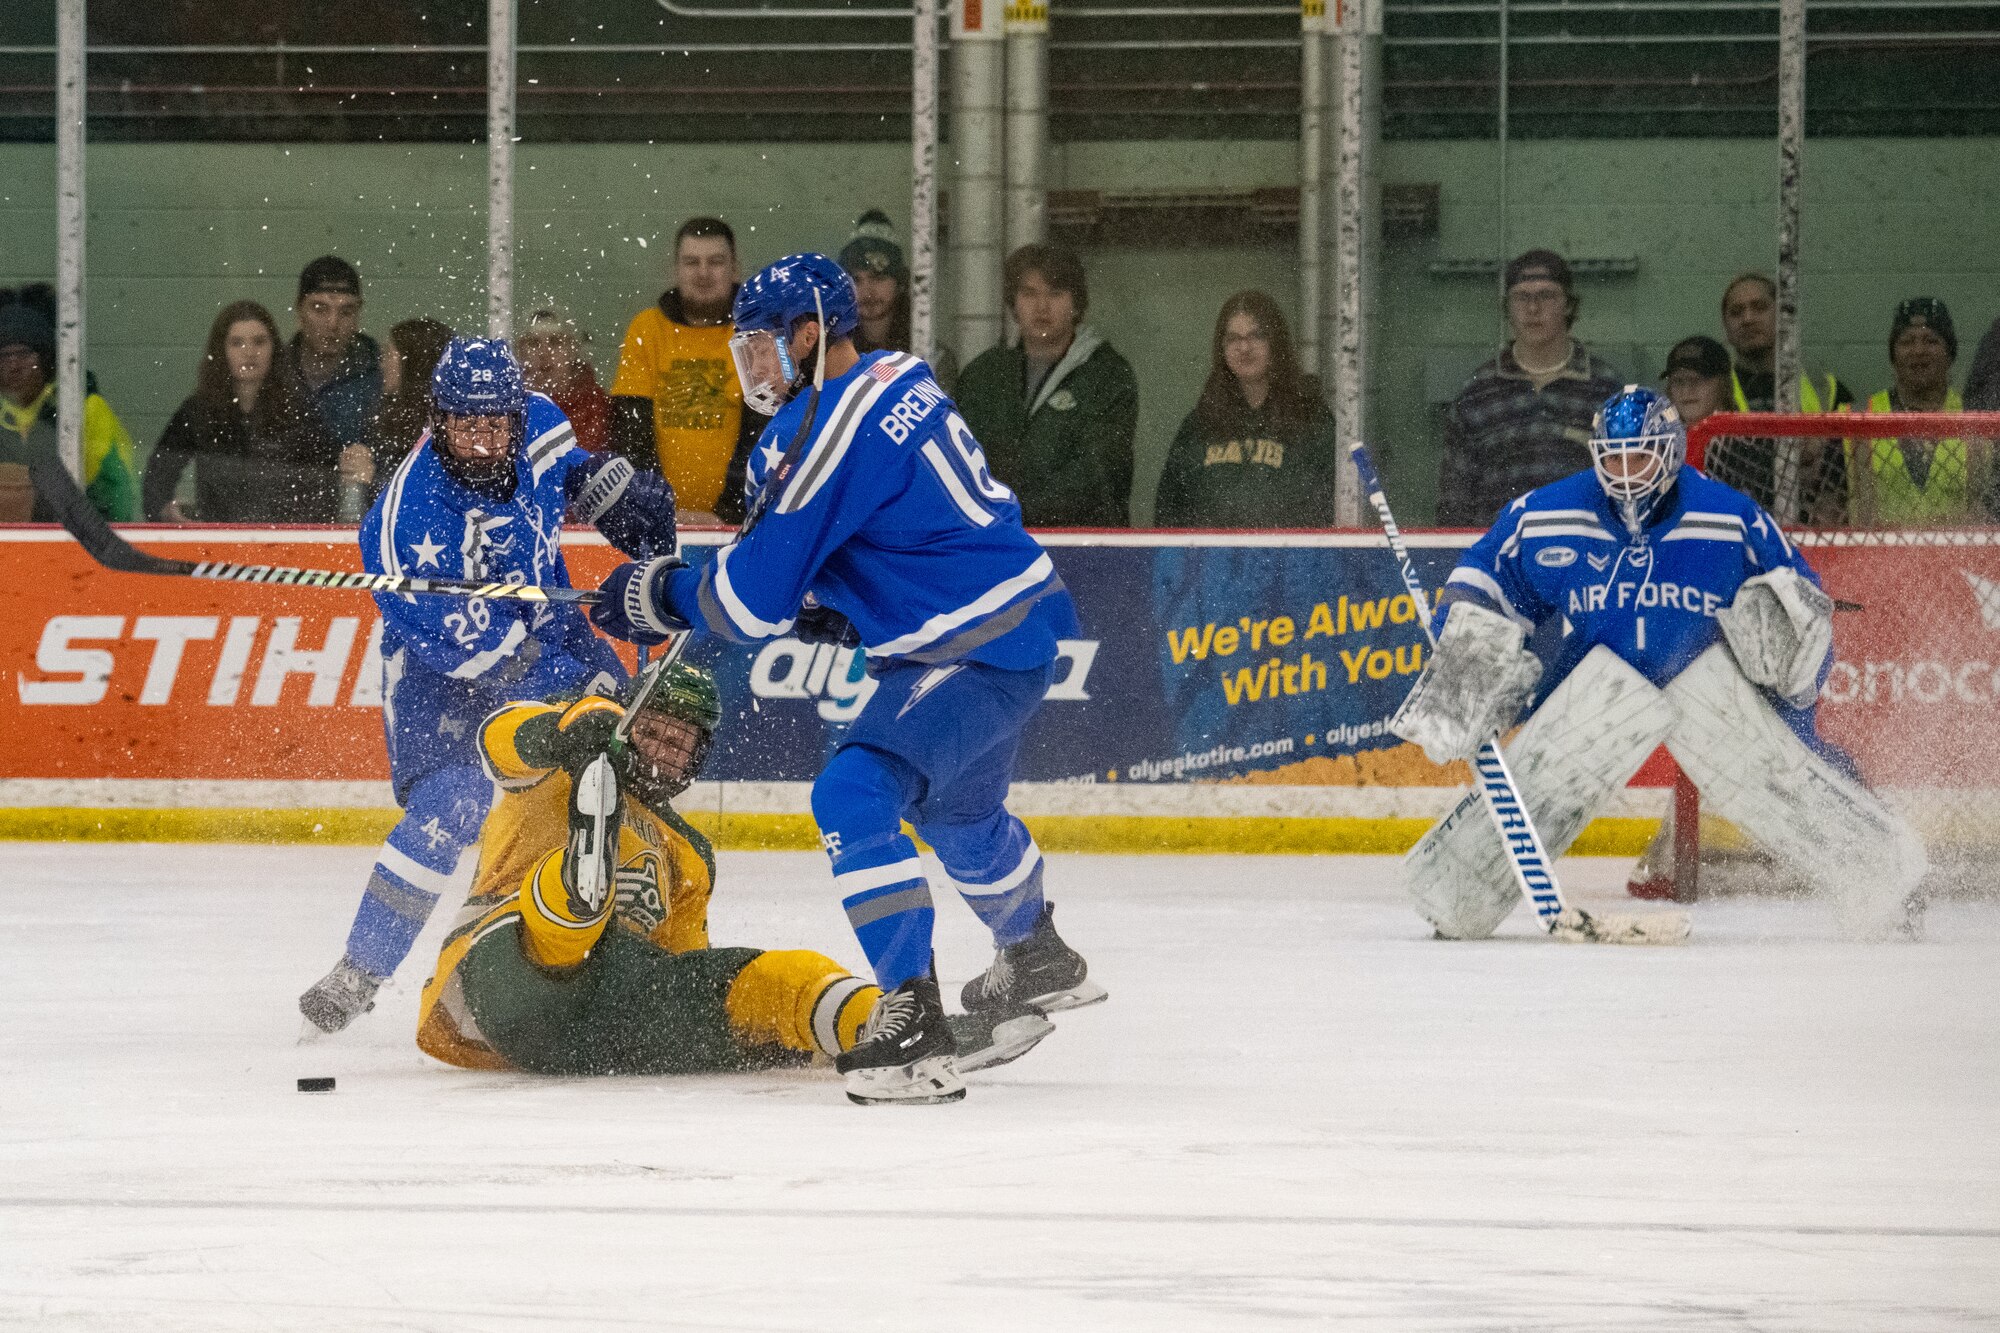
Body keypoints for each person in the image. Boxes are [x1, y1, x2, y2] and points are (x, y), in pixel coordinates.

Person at [587, 254, 1105, 1106]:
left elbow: (750, 606)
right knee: (959, 810)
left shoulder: (823, 435)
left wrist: (660, 593)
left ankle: (913, 1015)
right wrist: (835, 599)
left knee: (853, 795)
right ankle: (1039, 954)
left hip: (967, 646)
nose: (750, 366)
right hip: (1018, 621)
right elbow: (887, 534)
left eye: (759, 346)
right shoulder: (898, 377)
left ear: (808, 334)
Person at [1393, 386, 1924, 942]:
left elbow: (1802, 600)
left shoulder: (1730, 517)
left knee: (1799, 769)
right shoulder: (1545, 514)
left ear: (1671, 451)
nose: (1625, 472)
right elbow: (1489, 576)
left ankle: (1887, 877)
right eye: (1613, 457)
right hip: (1596, 674)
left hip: (1716, 677)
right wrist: (1467, 646)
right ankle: (1459, 888)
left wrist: (1796, 669)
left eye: (1640, 456)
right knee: (1543, 775)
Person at [298, 337, 679, 1034]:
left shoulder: (537, 419)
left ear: (515, 416)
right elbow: (499, 662)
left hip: (547, 615)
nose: (482, 442)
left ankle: (623, 945)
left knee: (616, 764)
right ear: (438, 421)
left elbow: (570, 474)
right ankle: (360, 969)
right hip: (439, 673)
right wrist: (579, 686)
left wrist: (618, 497)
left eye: (494, 425)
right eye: (466, 426)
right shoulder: (408, 523)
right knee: (454, 803)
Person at [416, 660, 1051, 1077]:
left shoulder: (689, 851)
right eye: (652, 735)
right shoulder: (556, 773)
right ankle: (581, 892)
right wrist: (571, 731)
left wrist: (717, 1002)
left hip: (599, 1028)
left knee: (778, 976)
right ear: (626, 726)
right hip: (503, 974)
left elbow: (680, 965)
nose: (664, 755)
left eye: (680, 744)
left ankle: (897, 1029)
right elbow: (497, 739)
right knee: (567, 911)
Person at [955, 242, 1138, 527]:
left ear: (1076, 304)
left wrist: (1011, 510)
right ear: (1013, 302)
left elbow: (1095, 475)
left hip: (1081, 546)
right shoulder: (982, 375)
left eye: (1055, 293)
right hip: (998, 541)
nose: (1042, 307)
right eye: (1029, 294)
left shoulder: (1108, 376)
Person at [1435, 250, 1623, 527]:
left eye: (1546, 296)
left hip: (1583, 553)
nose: (1533, 309)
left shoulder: (1605, 388)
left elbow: (1626, 489)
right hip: (1499, 557)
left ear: (1569, 305)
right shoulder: (1478, 393)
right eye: (1522, 297)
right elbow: (1453, 502)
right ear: (1507, 307)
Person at [609, 217, 763, 525]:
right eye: (692, 262)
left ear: (735, 268)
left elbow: (760, 434)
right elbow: (631, 434)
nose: (703, 273)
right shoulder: (647, 329)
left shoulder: (755, 331)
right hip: (657, 523)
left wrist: (725, 515)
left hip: (738, 525)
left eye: (716, 262)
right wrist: (655, 510)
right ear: (675, 270)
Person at [141, 301, 342, 523]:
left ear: (273, 348)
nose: (249, 352)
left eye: (259, 342)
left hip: (280, 544)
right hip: (217, 543)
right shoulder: (199, 410)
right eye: (237, 343)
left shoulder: (297, 409)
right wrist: (166, 511)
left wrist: (298, 532)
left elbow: (326, 481)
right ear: (222, 351)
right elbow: (157, 476)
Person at [1153, 290, 1336, 528]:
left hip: (1285, 561)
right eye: (1233, 338)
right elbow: (1169, 511)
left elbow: (1329, 510)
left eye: (1257, 336)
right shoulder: (1200, 421)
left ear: (1276, 342)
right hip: (1213, 563)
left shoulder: (1310, 417)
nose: (1244, 347)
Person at [0, 297, 138, 522]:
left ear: (45, 358)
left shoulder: (85, 408)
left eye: (24, 354)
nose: (14, 366)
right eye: (4, 356)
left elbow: (117, 494)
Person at [1850, 298, 1985, 527]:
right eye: (1907, 341)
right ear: (1893, 355)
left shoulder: (1977, 422)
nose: (1919, 351)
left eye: (1931, 341)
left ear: (1949, 354)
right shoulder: (1858, 420)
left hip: (1957, 560)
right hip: (1877, 560)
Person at [286, 256, 382, 509]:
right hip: (287, 517)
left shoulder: (380, 374)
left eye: (346, 311)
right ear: (299, 311)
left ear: (358, 313)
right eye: (319, 309)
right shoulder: (274, 372)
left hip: (361, 516)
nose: (332, 324)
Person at [838, 209, 957, 388]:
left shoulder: (931, 356)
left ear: (900, 282)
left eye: (878, 278)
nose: (867, 291)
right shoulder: (831, 353)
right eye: (856, 280)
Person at [1719, 272, 1851, 415]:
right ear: (1726, 328)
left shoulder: (1824, 387)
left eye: (1760, 307)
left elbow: (1854, 437)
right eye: (1736, 312)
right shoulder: (1712, 388)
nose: (1748, 319)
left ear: (1783, 318)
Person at [516, 308, 611, 452]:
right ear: (521, 353)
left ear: (572, 350)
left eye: (555, 342)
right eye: (534, 343)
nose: (544, 352)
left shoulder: (598, 406)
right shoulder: (510, 409)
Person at [1659, 335, 1733, 430]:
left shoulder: (1747, 436)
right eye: (1678, 381)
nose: (1686, 391)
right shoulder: (1662, 441)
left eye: (1697, 380)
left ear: (1723, 384)